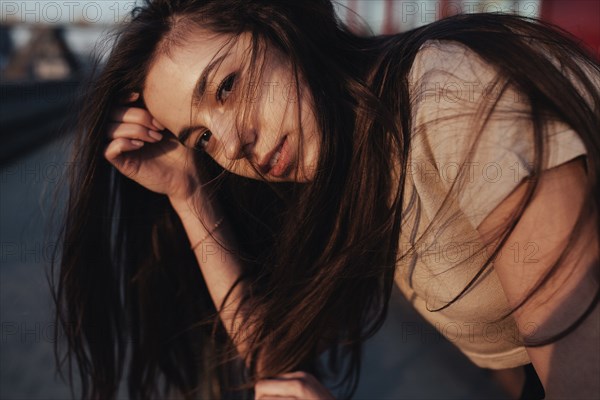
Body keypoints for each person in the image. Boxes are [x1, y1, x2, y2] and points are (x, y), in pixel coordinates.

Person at [51, 1, 600, 399]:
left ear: (278, 25)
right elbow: (274, 362)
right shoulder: (350, 155)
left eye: (226, 86)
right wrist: (189, 192)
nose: (232, 142)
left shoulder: (450, 96)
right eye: (202, 138)